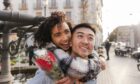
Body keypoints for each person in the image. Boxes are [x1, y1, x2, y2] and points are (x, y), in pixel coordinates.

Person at [27, 11, 106, 84]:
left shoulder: (87, 58)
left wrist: (101, 57)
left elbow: (95, 57)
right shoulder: (50, 66)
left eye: (67, 32)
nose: (65, 38)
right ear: (51, 39)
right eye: (58, 35)